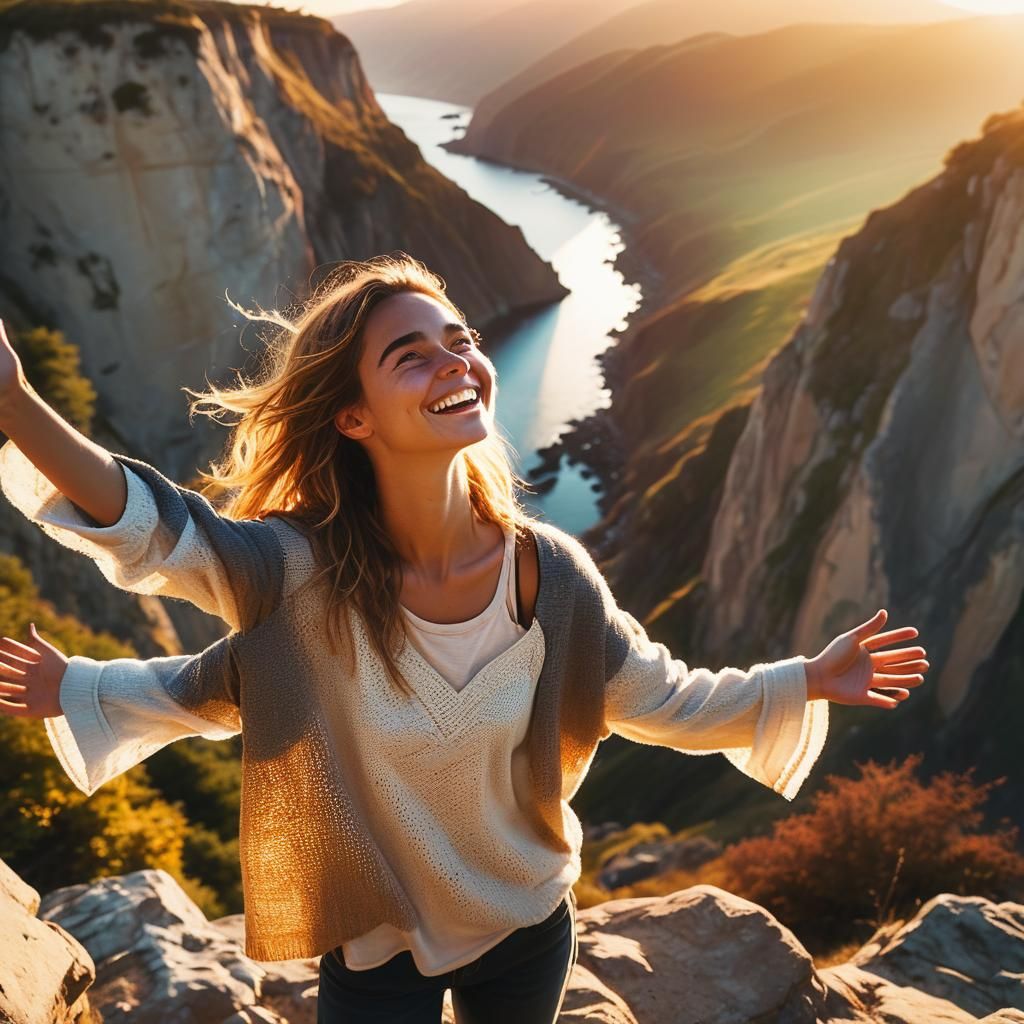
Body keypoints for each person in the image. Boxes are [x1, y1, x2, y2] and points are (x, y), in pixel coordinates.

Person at [0, 253, 928, 1023]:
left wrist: (805, 678)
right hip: (377, 946)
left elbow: (665, 700)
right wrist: (14, 405)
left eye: (462, 340)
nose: (457, 362)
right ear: (351, 417)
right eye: (412, 355)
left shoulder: (548, 576)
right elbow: (167, 550)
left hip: (528, 926)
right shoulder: (296, 574)